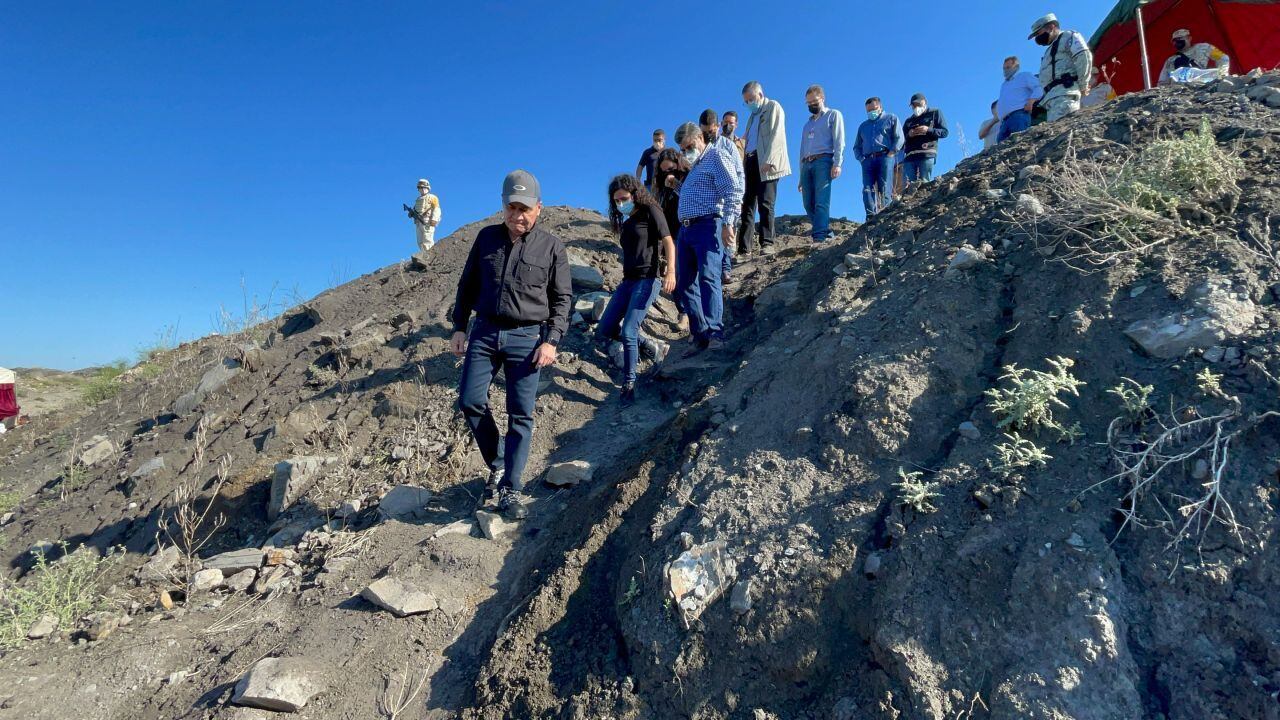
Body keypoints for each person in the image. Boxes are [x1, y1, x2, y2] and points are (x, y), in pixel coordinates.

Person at [451, 170, 572, 520]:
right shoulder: (486, 238)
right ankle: (499, 462)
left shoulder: (552, 246)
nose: (517, 215)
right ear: (503, 206)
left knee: (520, 413)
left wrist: (551, 341)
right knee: (470, 400)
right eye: (511, 207)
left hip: (527, 337)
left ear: (539, 208)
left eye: (525, 209)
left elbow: (562, 299)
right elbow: (467, 285)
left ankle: (510, 488)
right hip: (485, 331)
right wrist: (459, 327)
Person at [596, 175, 677, 406]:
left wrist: (671, 271)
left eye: (624, 198)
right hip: (627, 282)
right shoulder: (627, 222)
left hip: (647, 280)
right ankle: (652, 347)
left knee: (629, 331)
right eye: (617, 201)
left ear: (635, 194)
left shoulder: (651, 210)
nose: (621, 203)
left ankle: (629, 384)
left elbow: (668, 241)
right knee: (605, 329)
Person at [675, 121, 743, 354]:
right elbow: (697, 196)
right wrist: (677, 187)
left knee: (708, 277)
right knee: (685, 283)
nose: (686, 152)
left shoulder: (716, 157)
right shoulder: (695, 166)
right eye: (683, 149)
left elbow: (733, 190)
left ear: (700, 138)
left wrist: (728, 223)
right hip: (686, 230)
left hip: (708, 225)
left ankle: (715, 333)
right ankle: (699, 332)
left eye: (689, 146)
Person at [736, 81, 791, 257]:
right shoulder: (752, 118)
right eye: (746, 101)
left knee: (766, 203)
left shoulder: (773, 107)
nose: (749, 103)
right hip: (750, 161)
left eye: (751, 99)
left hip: (766, 160)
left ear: (760, 94)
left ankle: (767, 243)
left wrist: (769, 160)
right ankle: (744, 249)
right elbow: (748, 140)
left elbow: (777, 135)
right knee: (747, 205)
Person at [699, 108, 744, 280]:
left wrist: (738, 198)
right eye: (704, 132)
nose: (708, 135)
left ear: (717, 126)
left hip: (726, 198)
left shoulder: (728, 146)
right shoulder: (699, 147)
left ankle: (726, 269)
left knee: (727, 231)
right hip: (707, 202)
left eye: (711, 131)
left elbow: (739, 173)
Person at [796, 84, 845, 243]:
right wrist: (800, 176)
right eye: (808, 103)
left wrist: (837, 163)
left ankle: (819, 237)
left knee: (821, 201)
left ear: (822, 99)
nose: (811, 105)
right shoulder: (807, 125)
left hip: (823, 161)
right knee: (807, 203)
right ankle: (825, 230)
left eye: (814, 102)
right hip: (806, 164)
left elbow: (839, 140)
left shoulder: (833, 115)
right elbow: (802, 150)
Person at [1030, 13, 1093, 122]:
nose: (1037, 38)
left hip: (1064, 94)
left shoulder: (1068, 36)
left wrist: (1083, 86)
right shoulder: (1049, 50)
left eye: (1038, 33)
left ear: (1051, 27)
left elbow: (1083, 56)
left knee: (1065, 128)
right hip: (1052, 100)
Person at [852, 97, 903, 217]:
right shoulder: (863, 126)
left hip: (885, 157)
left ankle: (885, 214)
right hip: (867, 160)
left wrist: (891, 153)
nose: (871, 112)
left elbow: (899, 138)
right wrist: (862, 159)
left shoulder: (891, 118)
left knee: (885, 186)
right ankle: (870, 216)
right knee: (867, 189)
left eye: (874, 109)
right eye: (868, 111)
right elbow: (856, 146)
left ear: (880, 107)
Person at [901, 93, 948, 184]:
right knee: (908, 186)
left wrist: (928, 130)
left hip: (927, 154)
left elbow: (944, 132)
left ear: (925, 102)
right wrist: (909, 135)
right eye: (913, 105)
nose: (916, 107)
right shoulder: (908, 121)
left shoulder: (935, 113)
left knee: (924, 184)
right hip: (909, 157)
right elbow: (901, 141)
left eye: (918, 104)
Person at [1158, 29, 1230, 85]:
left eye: (1180, 38)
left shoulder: (1204, 48)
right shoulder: (1170, 60)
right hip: (1179, 93)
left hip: (1201, 86)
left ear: (1189, 38)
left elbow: (1223, 58)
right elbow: (1163, 81)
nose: (1177, 42)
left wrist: (1222, 74)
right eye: (1174, 40)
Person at [997, 56, 1043, 142]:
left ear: (1017, 67)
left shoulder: (1024, 76)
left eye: (1008, 67)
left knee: (1019, 144)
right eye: (1004, 68)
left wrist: (1031, 102)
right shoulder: (1004, 84)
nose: (1005, 70)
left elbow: (1038, 88)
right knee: (1000, 149)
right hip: (1004, 123)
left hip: (1019, 116)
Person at [409, 179, 442, 253]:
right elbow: (415, 209)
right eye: (420, 188)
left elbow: (436, 209)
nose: (422, 189)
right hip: (418, 222)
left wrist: (434, 219)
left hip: (427, 221)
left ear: (428, 188)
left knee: (427, 238)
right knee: (420, 240)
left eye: (424, 187)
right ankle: (423, 255)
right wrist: (411, 213)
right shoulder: (418, 199)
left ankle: (429, 254)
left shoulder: (432, 197)